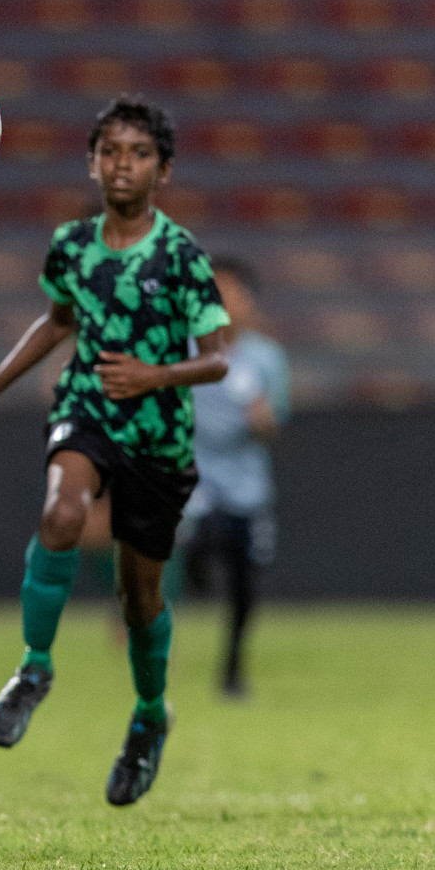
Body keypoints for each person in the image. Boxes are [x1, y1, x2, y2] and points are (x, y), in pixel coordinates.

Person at [0, 96, 231, 806]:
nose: (121, 164)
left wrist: (154, 375)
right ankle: (34, 668)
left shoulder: (181, 254)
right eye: (110, 151)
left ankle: (147, 717)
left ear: (162, 170)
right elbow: (57, 322)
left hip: (159, 435)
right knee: (62, 513)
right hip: (87, 410)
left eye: (137, 153)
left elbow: (217, 359)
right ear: (92, 162)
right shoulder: (72, 245)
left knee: (139, 600)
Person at [179, 257, 289, 700]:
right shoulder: (180, 350)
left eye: (230, 294)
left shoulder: (265, 359)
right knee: (206, 529)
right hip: (193, 473)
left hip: (247, 483)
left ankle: (232, 670)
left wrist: (262, 418)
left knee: (245, 581)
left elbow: (272, 425)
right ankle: (195, 559)